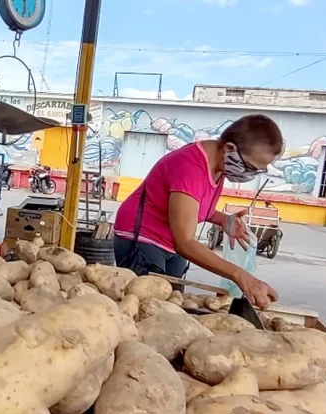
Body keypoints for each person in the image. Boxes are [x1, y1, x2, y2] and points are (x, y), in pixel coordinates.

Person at [113, 114, 281, 308]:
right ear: (229, 149)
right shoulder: (190, 168)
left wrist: (223, 220)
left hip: (171, 242)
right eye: (251, 167)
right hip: (142, 237)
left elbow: (194, 206)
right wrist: (241, 276)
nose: (250, 175)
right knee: (147, 308)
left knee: (174, 304)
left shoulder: (218, 165)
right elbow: (184, 242)